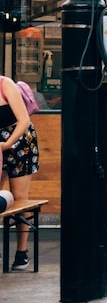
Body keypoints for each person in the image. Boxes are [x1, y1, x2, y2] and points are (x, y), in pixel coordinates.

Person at [0, 75, 40, 270]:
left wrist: (8, 143)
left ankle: (21, 252)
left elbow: (23, 120)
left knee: (19, 198)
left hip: (20, 142)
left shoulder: (5, 85)